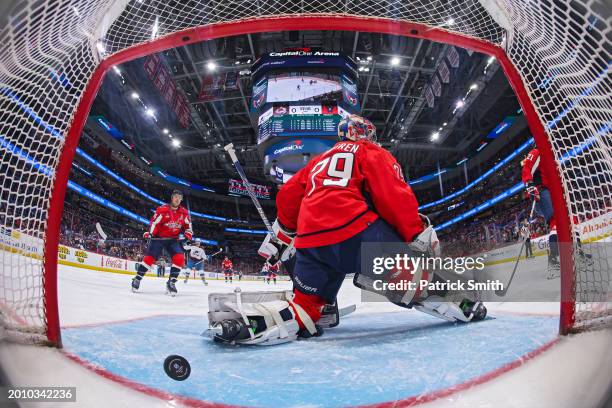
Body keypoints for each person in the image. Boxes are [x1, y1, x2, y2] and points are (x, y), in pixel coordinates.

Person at [209, 115, 486, 345]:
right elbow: (394, 197)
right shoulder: (372, 152)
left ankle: (245, 325)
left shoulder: (317, 162)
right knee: (411, 277)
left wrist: (285, 234)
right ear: (365, 134)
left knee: (304, 307)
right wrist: (415, 234)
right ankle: (464, 304)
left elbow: (287, 198)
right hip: (356, 233)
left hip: (310, 245)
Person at [131, 190, 192, 296]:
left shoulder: (184, 212)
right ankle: (137, 278)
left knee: (180, 258)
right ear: (172, 198)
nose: (177, 199)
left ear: (181, 200)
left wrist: (188, 235)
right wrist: (150, 234)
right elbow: (154, 223)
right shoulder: (162, 209)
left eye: (180, 198)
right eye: (176, 197)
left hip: (173, 240)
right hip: (159, 239)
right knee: (149, 258)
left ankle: (171, 283)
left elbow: (188, 227)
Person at [521, 148, 559, 267]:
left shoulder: (549, 157)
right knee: (556, 221)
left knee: (564, 221)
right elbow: (526, 167)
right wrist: (530, 185)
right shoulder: (536, 151)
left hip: (548, 193)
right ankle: (553, 257)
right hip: (541, 193)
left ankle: (576, 251)